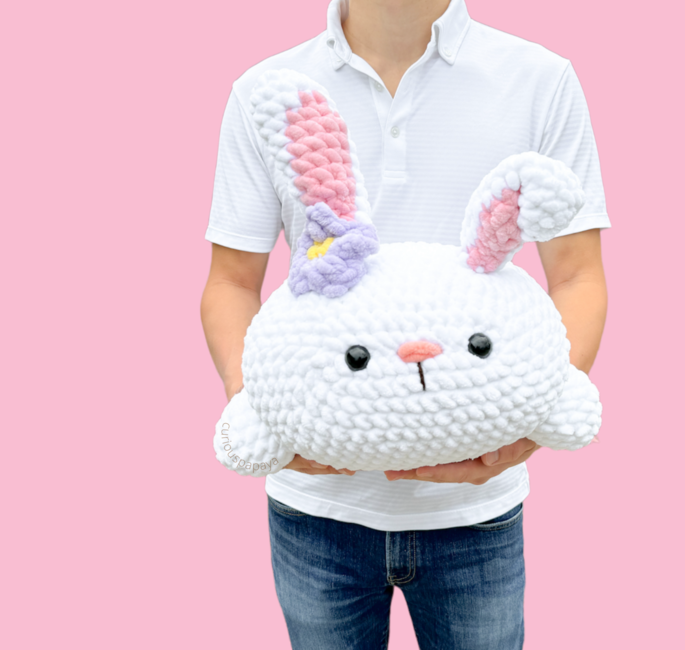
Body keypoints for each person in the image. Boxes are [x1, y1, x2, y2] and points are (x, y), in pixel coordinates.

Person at [201, 0, 609, 647]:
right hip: (315, 506)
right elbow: (230, 280)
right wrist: (260, 410)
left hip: (476, 510)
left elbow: (577, 275)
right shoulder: (268, 92)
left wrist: (533, 418)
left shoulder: (539, 78)